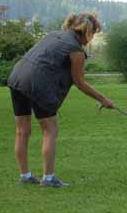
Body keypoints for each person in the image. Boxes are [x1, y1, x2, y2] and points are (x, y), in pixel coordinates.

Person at [8, 13, 115, 187]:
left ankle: (25, 176)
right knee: (50, 129)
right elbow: (80, 82)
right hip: (38, 83)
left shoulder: (53, 35)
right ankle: (48, 178)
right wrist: (104, 100)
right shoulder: (76, 51)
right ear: (89, 32)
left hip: (17, 77)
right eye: (94, 33)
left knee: (22, 130)